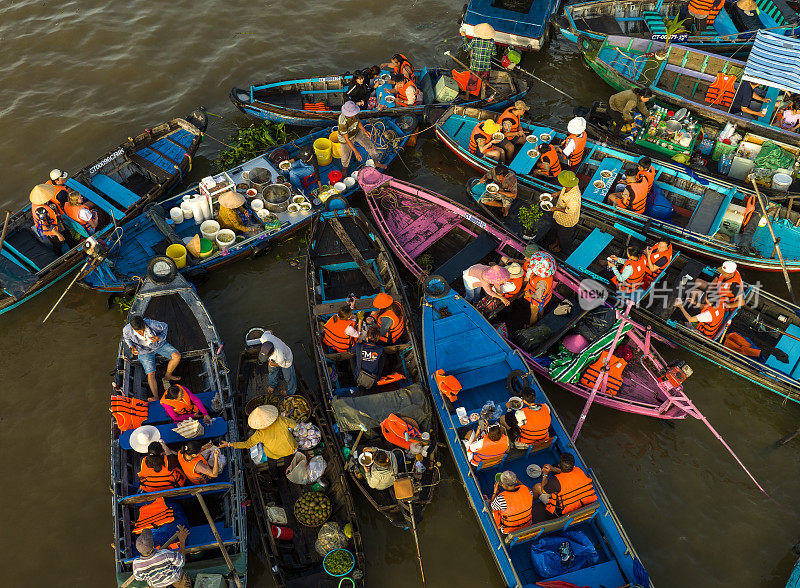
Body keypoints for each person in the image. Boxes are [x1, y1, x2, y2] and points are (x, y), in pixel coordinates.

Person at [123, 315, 182, 401]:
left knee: (177, 356)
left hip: (158, 345)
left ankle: (168, 375)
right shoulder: (126, 330)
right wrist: (132, 347)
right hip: (143, 351)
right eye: (138, 331)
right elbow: (127, 339)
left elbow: (165, 327)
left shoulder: (153, 324)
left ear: (144, 323)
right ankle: (156, 396)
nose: (141, 332)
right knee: (150, 373)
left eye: (142, 329)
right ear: (132, 328)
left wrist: (159, 338)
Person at [220, 404, 298, 460]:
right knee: (289, 455)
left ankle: (275, 476)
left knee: (270, 456)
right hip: (290, 449)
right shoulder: (280, 419)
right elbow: (294, 424)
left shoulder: (259, 434)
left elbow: (247, 444)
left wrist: (229, 444)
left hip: (275, 454)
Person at [532, 452, 597, 518]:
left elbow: (544, 490)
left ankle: (528, 504)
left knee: (537, 487)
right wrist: (553, 469)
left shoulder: (555, 481)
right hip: (582, 508)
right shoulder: (579, 470)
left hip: (563, 513)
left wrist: (545, 474)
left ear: (559, 465)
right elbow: (567, 473)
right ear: (573, 465)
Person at [338, 101, 386, 172]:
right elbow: (347, 139)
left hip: (356, 131)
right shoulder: (342, 122)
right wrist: (356, 152)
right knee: (345, 156)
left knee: (369, 144)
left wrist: (364, 131)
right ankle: (344, 169)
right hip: (346, 138)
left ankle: (376, 162)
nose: (354, 114)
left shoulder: (354, 115)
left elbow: (358, 121)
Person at [546, 170, 582, 253]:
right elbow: (563, 189)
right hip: (559, 217)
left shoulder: (574, 198)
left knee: (564, 238)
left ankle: (562, 248)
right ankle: (556, 242)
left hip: (567, 222)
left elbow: (570, 212)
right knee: (557, 232)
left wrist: (556, 209)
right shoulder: (571, 185)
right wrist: (558, 193)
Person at [29, 184, 70, 255]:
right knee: (58, 244)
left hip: (55, 223)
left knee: (65, 238)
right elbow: (49, 226)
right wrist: (59, 235)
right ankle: (60, 256)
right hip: (53, 232)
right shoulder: (41, 210)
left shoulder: (35, 203)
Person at [257, 330, 297, 396]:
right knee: (272, 372)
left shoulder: (280, 355)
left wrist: (272, 364)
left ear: (272, 353)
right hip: (273, 359)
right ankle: (272, 385)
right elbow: (270, 331)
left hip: (286, 360)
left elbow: (282, 364)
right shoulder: (264, 337)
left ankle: (290, 391)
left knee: (288, 377)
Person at [524, 259, 555, 326]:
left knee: (534, 314)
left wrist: (529, 294)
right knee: (541, 307)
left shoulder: (541, 282)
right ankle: (541, 316)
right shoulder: (548, 273)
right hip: (544, 299)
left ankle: (531, 325)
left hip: (536, 299)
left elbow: (538, 296)